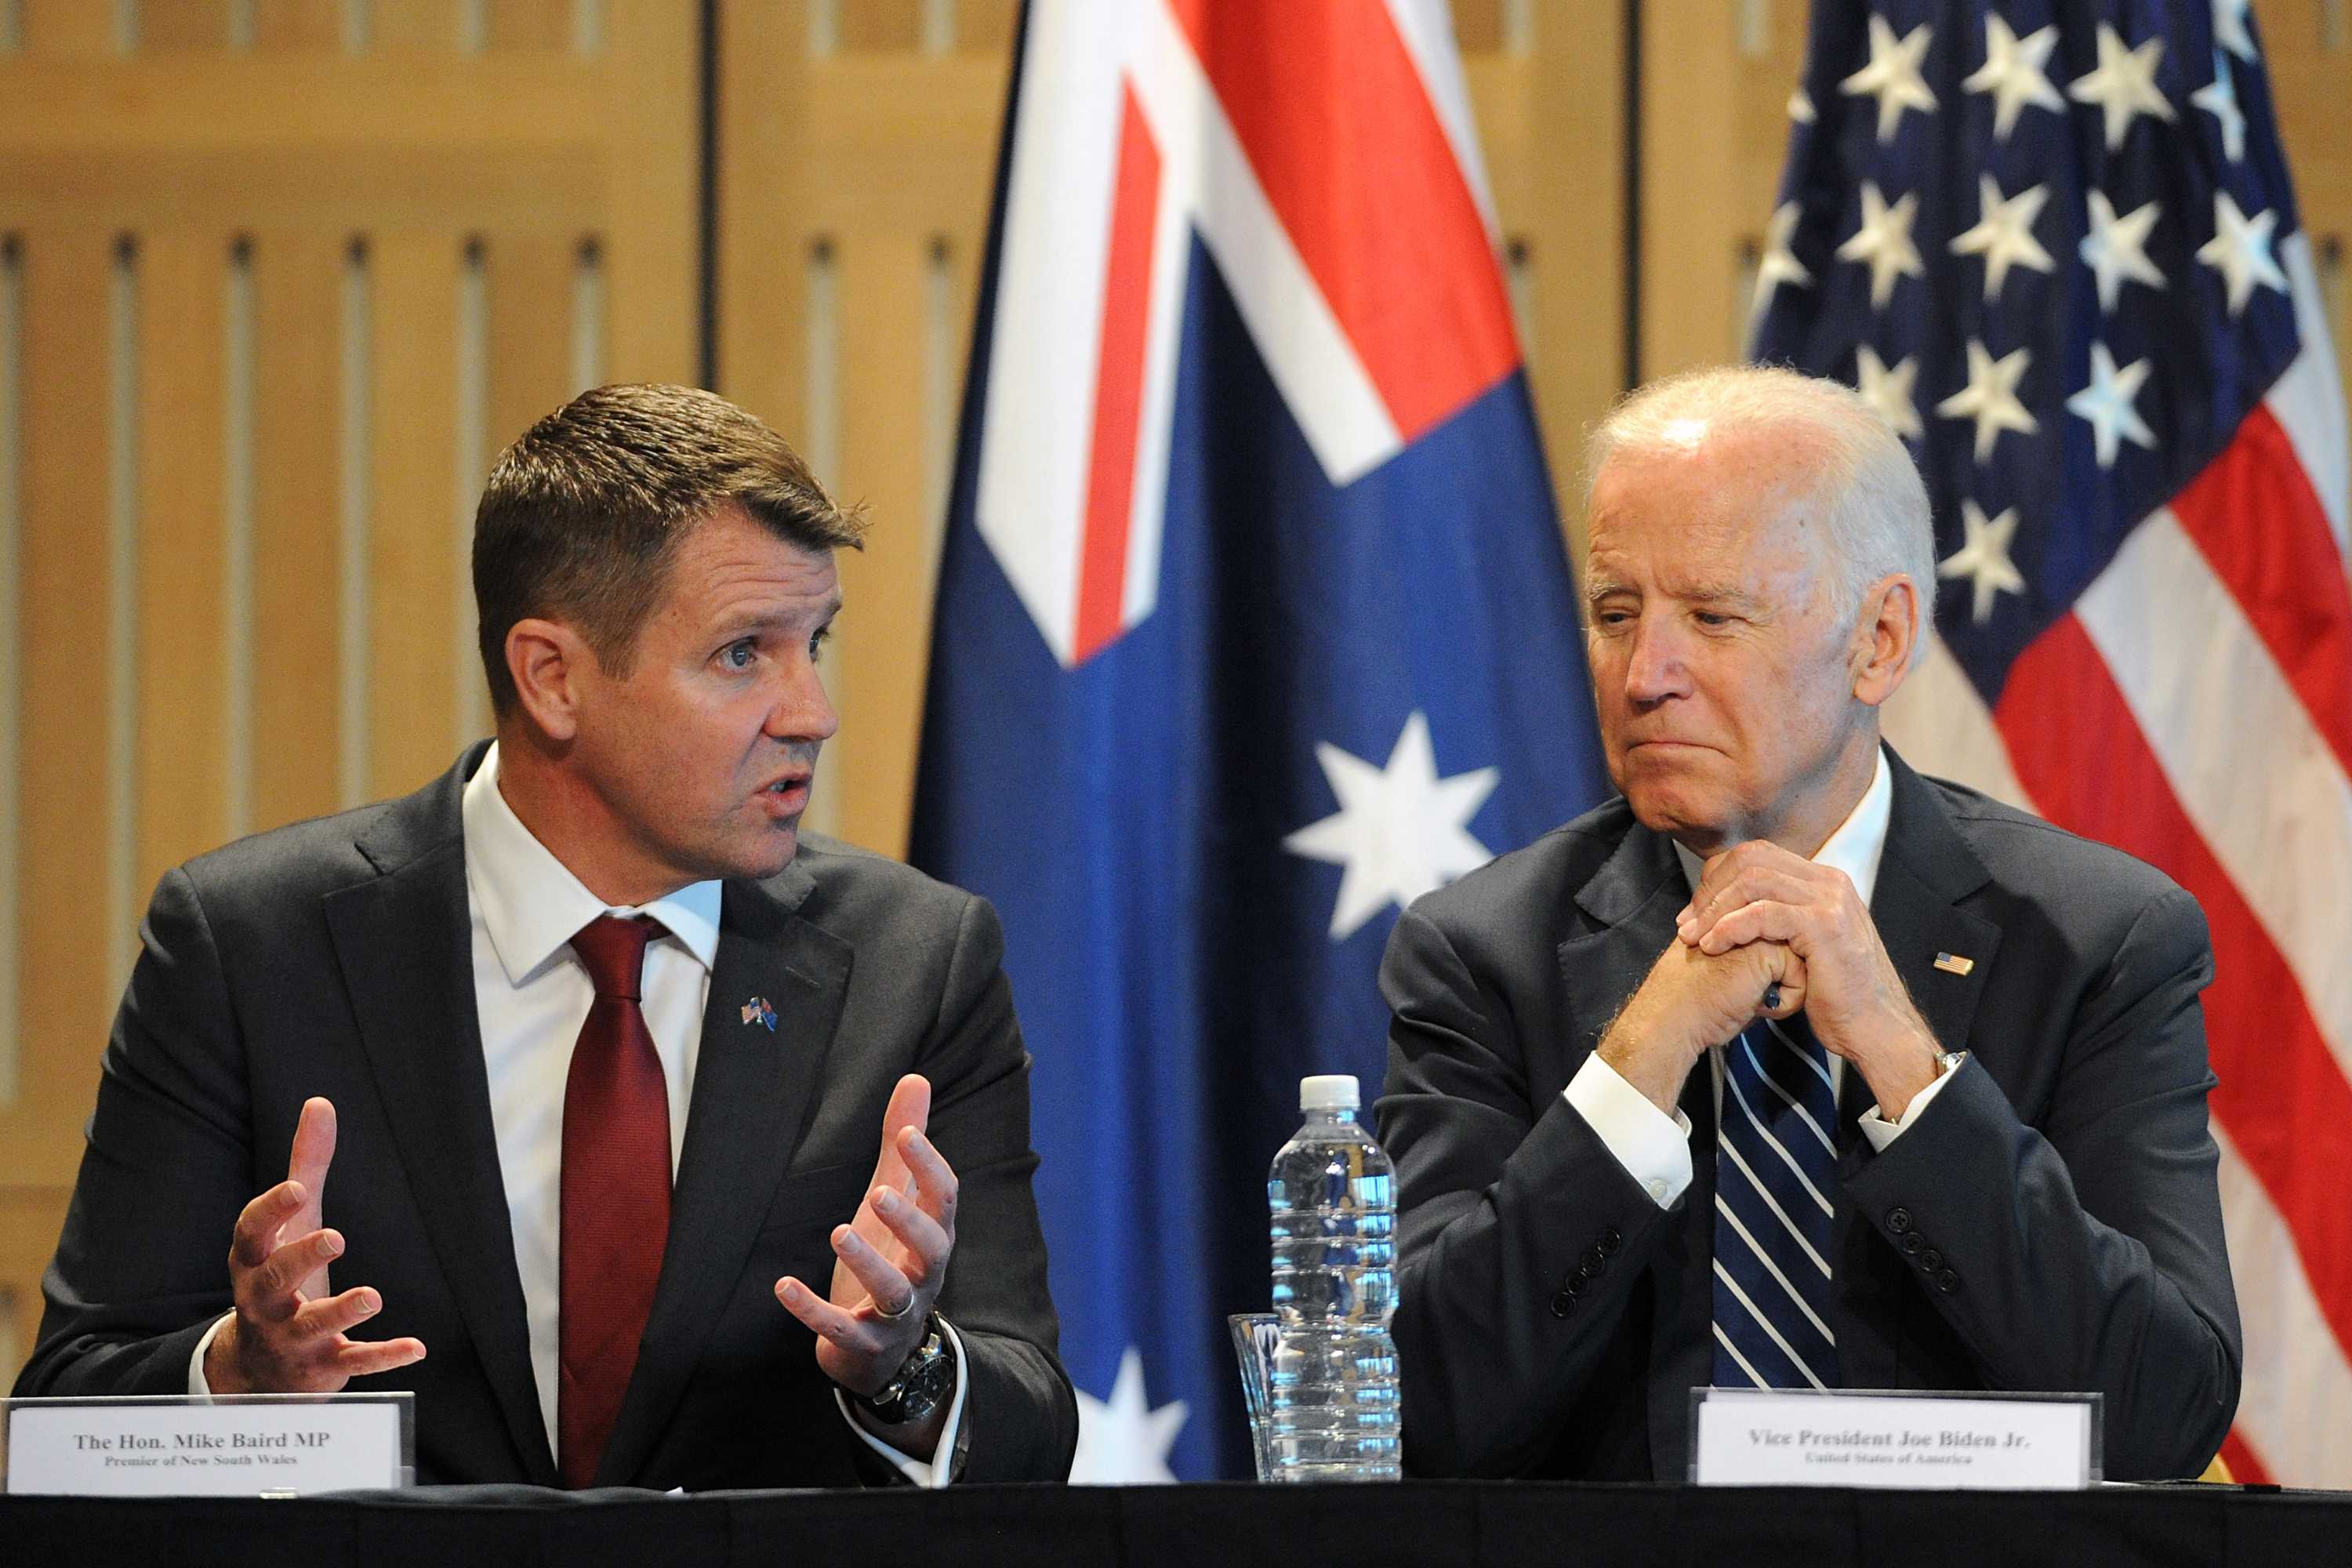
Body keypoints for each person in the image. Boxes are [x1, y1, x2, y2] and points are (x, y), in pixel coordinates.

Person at [16, 384, 1078, 1489]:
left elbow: (1034, 1427)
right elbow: (67, 1408)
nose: (813, 710)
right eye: (742, 655)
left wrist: (902, 1367)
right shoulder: (251, 948)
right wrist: (241, 1373)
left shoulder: (918, 962)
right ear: (553, 677)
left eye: (816, 642)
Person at [1376, 365, 2240, 1482]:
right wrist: (1640, 1063)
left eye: (1713, 617)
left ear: (1879, 640)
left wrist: (1907, 1066)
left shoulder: (2093, 943)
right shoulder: (1483, 954)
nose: (1645, 676)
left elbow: (2167, 1412)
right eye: (1614, 614)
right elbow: (1414, 1410)